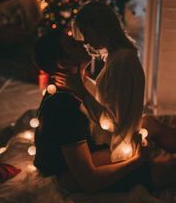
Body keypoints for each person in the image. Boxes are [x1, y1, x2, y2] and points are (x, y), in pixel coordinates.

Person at [33, 29, 176, 194]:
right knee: (165, 168)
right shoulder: (63, 106)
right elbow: (89, 180)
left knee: (148, 123)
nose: (82, 42)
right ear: (63, 63)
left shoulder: (81, 86)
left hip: (92, 152)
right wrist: (136, 161)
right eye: (73, 44)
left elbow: (108, 119)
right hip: (72, 176)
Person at [54, 0, 176, 163]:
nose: (86, 41)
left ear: (99, 27)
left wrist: (82, 92)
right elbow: (106, 96)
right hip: (116, 143)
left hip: (118, 150)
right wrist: (82, 80)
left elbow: (111, 121)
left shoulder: (122, 61)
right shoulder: (116, 57)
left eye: (86, 33)